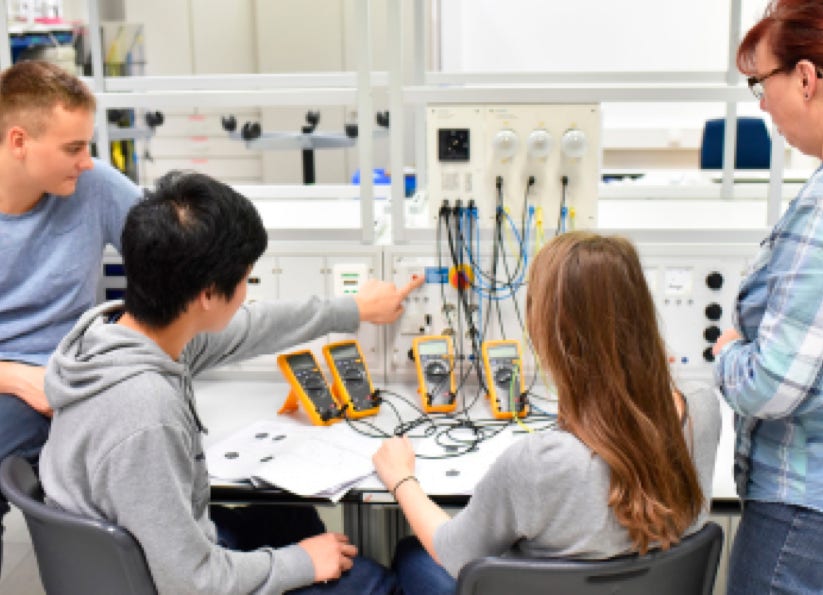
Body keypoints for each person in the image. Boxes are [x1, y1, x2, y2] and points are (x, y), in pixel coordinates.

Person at [39, 170, 422, 594]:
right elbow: (193, 583)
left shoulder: (114, 336)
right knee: (375, 584)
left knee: (291, 519)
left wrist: (351, 309)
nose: (245, 294)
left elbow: (253, 327)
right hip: (163, 581)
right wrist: (303, 563)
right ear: (206, 294)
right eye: (244, 280)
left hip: (141, 549)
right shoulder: (145, 411)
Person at [372, 231, 721, 594]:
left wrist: (401, 479)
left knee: (413, 556)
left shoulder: (540, 463)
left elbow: (453, 553)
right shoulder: (702, 410)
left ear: (549, 334)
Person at [0, 60, 142, 571]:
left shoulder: (94, 185)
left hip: (80, 373)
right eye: (73, 147)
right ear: (19, 140)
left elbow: (172, 254)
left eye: (88, 145)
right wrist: (16, 377)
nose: (86, 161)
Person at [712, 2, 823, 593]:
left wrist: (728, 351)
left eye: (761, 84)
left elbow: (772, 385)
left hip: (801, 513)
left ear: (805, 79)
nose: (761, 105)